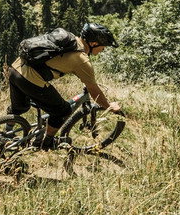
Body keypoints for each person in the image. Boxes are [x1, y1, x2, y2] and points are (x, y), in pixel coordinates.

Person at [7, 22, 122, 150]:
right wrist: (109, 106)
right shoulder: (82, 60)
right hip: (30, 80)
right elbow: (94, 92)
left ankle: (6, 135)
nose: (103, 49)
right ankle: (46, 142)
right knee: (62, 111)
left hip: (15, 69)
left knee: (19, 108)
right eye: (103, 46)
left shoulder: (70, 39)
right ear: (94, 44)